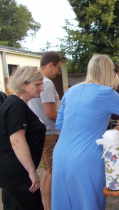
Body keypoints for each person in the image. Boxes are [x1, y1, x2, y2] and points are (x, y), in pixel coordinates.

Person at [51, 54, 119, 210]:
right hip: (87, 156)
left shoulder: (71, 90)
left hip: (60, 154)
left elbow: (60, 124)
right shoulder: (106, 92)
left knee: (65, 203)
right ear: (109, 72)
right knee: (89, 202)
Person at [0, 66, 45, 209]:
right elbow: (17, 141)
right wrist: (32, 172)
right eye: (37, 84)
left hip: (11, 171)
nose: (41, 88)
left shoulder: (14, 103)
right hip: (18, 173)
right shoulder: (16, 106)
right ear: (22, 84)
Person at [28, 51, 63, 210]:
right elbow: (50, 113)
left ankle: (48, 206)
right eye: (58, 68)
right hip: (49, 133)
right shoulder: (46, 82)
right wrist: (68, 118)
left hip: (42, 133)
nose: (59, 72)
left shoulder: (34, 81)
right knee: (51, 173)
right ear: (51, 64)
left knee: (48, 172)